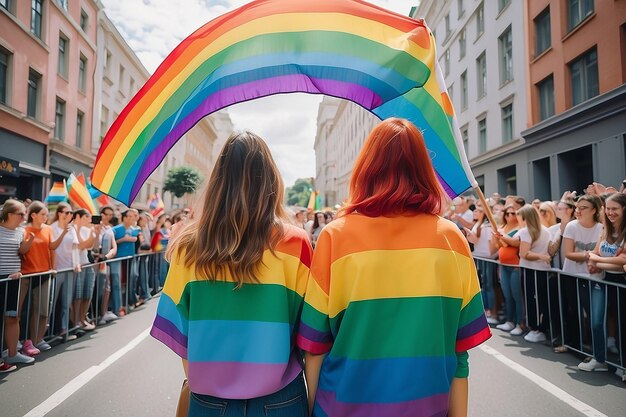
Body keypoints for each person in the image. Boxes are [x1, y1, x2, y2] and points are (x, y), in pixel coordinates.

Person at [297, 118, 491, 417]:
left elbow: (315, 346)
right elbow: (459, 351)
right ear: (424, 168)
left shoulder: (336, 235)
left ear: (367, 168)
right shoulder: (451, 238)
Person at [151, 131, 312, 417]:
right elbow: (310, 332)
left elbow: (179, 333)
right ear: (271, 180)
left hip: (209, 398)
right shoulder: (295, 243)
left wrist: (203, 378)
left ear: (218, 182)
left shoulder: (188, 246)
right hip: (281, 398)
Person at [584, 193, 626, 372]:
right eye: (608, 209)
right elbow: (593, 254)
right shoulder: (605, 229)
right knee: (596, 321)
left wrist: (598, 261)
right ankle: (599, 359)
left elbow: (623, 260)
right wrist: (595, 262)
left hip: (621, 282)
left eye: (614, 209)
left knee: (622, 324)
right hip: (603, 280)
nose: (610, 212)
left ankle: (623, 365)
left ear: (624, 209)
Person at [0, 199, 35, 368]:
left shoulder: (21, 232)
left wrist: (29, 242)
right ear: (9, 214)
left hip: (13, 280)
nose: (24, 217)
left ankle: (12, 354)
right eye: (21, 214)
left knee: (12, 317)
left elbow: (21, 252)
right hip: (1, 279)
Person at [20, 201, 55, 354]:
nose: (46, 217)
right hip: (26, 276)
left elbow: (52, 249)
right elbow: (21, 251)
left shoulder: (48, 229)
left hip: (44, 274)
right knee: (24, 312)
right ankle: (23, 342)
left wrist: (53, 268)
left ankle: (37, 339)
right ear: (33, 215)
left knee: (42, 311)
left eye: (47, 215)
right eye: (43, 214)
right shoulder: (23, 230)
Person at [516, 204, 552, 343]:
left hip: (532, 269)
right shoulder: (545, 230)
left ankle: (537, 329)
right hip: (541, 270)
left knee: (532, 300)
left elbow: (523, 253)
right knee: (540, 300)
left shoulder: (527, 231)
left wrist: (540, 256)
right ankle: (539, 328)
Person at [49, 202, 81, 340]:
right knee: (51, 302)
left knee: (66, 301)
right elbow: (52, 247)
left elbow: (75, 248)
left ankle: (64, 330)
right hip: (56, 270)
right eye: (67, 212)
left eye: (71, 213)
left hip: (69, 268)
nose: (69, 215)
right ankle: (46, 333)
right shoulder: (52, 227)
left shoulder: (72, 229)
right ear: (59, 213)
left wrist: (76, 264)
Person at [491, 205, 523, 335]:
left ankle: (520, 323)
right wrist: (497, 237)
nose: (510, 216)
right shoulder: (503, 228)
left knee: (517, 296)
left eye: (513, 213)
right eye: (507, 213)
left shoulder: (521, 228)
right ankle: (510, 321)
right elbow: (498, 246)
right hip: (503, 265)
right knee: (507, 295)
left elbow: (515, 243)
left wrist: (501, 236)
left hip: (515, 266)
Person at [465, 203, 498, 325]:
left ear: (484, 213)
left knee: (488, 285)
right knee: (482, 285)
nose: (475, 213)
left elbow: (492, 245)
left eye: (478, 211)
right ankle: (485, 310)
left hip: (487, 258)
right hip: (479, 257)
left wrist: (490, 255)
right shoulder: (477, 225)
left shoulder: (488, 226)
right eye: (475, 211)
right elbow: (475, 242)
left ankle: (491, 312)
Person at [72, 209, 98, 331]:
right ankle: (75, 322)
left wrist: (94, 233)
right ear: (78, 217)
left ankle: (82, 319)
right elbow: (80, 245)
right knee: (77, 296)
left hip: (87, 264)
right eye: (86, 216)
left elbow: (89, 246)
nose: (89, 219)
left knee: (87, 294)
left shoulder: (88, 230)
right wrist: (77, 228)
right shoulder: (72, 228)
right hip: (77, 265)